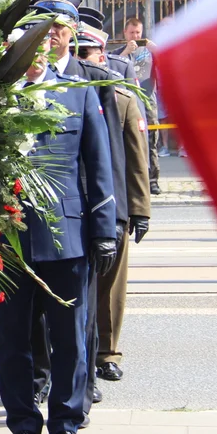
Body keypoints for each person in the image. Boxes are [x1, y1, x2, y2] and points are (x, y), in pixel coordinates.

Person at [0, 32, 117, 434]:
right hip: (7, 236)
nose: (29, 57)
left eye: (34, 49)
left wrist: (104, 229)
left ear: (45, 51)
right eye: (19, 51)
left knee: (69, 338)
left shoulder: (77, 94)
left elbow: (99, 164)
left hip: (67, 235)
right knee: (11, 340)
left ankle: (66, 424)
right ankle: (23, 426)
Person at [76, 27, 152, 383]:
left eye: (88, 52)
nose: (83, 60)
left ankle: (107, 352)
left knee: (110, 288)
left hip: (115, 206)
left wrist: (139, 209)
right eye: (79, 52)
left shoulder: (119, 98)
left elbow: (137, 158)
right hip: (74, 206)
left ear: (102, 54)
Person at [115, 17, 161, 194]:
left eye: (138, 33)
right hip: (127, 102)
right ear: (125, 33)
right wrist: (126, 52)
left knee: (152, 141)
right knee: (129, 141)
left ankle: (153, 180)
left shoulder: (149, 52)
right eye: (132, 32)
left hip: (148, 101)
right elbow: (111, 69)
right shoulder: (120, 52)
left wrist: (156, 50)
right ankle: (131, 180)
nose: (135, 36)